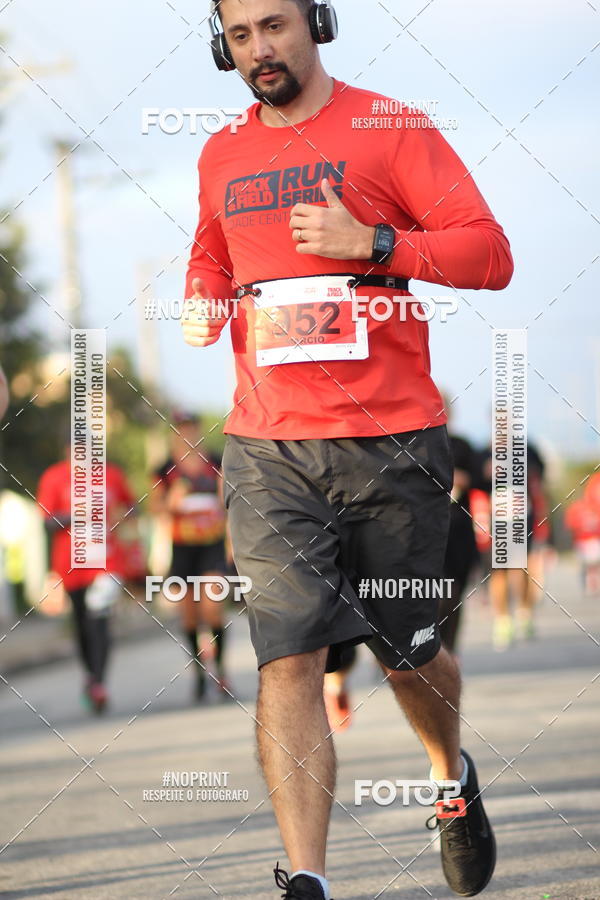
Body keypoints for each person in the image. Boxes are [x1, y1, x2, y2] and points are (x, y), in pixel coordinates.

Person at [182, 1, 514, 896]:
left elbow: (490, 255)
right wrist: (202, 296)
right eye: (240, 35)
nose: (260, 49)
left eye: (274, 25)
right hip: (268, 446)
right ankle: (309, 879)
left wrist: (372, 243)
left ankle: (449, 774)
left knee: (405, 651)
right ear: (221, 44)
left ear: (316, 22)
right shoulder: (221, 152)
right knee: (287, 656)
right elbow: (212, 254)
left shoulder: (388, 127)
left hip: (390, 441)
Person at [37, 444, 136, 713]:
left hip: (107, 561)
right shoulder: (54, 477)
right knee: (82, 623)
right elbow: (46, 521)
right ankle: (91, 676)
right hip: (71, 565)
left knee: (99, 617)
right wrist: (75, 516)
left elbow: (131, 507)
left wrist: (123, 516)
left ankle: (99, 683)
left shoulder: (111, 475)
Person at [151, 412, 231, 700]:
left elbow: (229, 503)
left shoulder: (216, 462)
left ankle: (220, 669)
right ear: (175, 434)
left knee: (212, 607)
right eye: (182, 430)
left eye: (191, 429)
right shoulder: (165, 469)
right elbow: (155, 508)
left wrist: (232, 542)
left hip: (212, 545)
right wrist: (171, 502)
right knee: (189, 616)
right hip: (182, 548)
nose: (188, 435)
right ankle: (198, 673)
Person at [477, 442, 551, 649]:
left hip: (521, 517)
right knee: (498, 570)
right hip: (495, 519)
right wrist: (487, 472)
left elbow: (539, 476)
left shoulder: (528, 449)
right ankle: (502, 620)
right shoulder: (484, 452)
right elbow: (475, 481)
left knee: (520, 567)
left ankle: (524, 612)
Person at [438, 399, 480, 656]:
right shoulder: (414, 443)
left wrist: (465, 478)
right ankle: (432, 650)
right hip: (428, 532)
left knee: (454, 594)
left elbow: (482, 479)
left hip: (459, 531)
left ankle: (449, 650)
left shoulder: (462, 445)